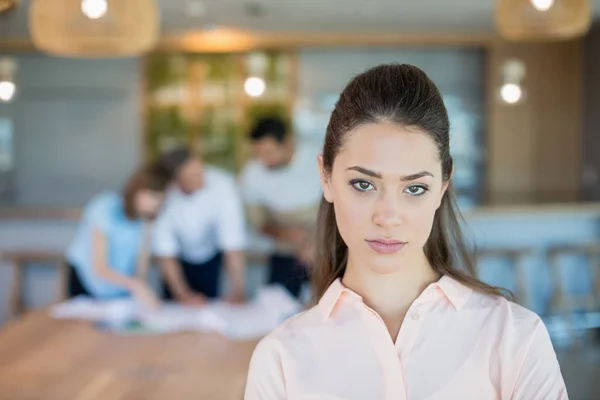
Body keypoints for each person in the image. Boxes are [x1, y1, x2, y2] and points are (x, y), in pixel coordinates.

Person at [245, 64, 568, 399]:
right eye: (363, 184)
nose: (388, 216)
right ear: (325, 177)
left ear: (444, 185)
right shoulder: (280, 359)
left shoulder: (516, 338)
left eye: (414, 188)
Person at [66, 164, 169, 309]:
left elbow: (141, 265)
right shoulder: (105, 207)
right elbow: (100, 267)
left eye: (159, 200)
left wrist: (142, 291)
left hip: (119, 291)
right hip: (87, 283)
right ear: (137, 191)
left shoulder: (145, 220)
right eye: (151, 196)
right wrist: (135, 285)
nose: (153, 205)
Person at [153, 147, 246, 305]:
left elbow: (232, 244)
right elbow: (165, 253)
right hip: (178, 260)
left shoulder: (223, 186)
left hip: (210, 258)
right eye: (192, 176)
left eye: (200, 170)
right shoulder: (164, 194)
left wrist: (238, 290)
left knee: (208, 308)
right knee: (175, 309)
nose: (201, 178)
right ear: (176, 181)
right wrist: (182, 295)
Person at [241, 116, 321, 298]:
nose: (264, 160)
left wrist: (317, 242)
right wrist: (289, 236)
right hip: (283, 254)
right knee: (276, 308)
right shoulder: (252, 174)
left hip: (325, 249)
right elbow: (258, 223)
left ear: (287, 143)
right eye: (258, 153)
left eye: (268, 152)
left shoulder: (319, 160)